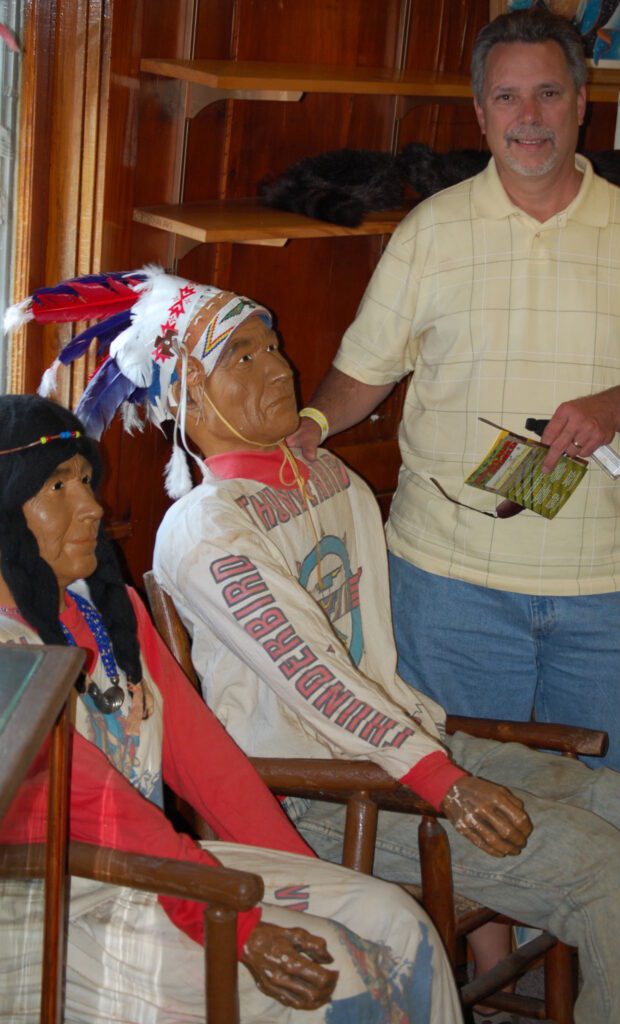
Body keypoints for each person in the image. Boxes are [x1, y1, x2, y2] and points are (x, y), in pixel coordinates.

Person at [9, 269, 620, 1024]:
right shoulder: (207, 530)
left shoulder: (326, 474)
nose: (281, 370)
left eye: (274, 348)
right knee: (604, 872)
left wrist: (435, 753)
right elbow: (313, 677)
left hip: (408, 741)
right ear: (187, 395)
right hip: (322, 789)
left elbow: (366, 662)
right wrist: (442, 781)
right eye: (242, 358)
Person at [290, 7, 620, 806]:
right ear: (479, 112)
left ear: (580, 101)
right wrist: (308, 430)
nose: (527, 118)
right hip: (446, 585)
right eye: (507, 98)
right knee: (463, 817)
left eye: (546, 93)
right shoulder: (428, 232)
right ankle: (489, 942)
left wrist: (614, 405)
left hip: (609, 588)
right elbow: (363, 372)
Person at [0, 394, 461, 1024]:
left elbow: (206, 763)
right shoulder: (7, 653)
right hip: (49, 907)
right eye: (56, 487)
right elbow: (92, 807)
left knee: (397, 922)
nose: (91, 507)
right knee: (335, 971)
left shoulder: (110, 615)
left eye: (86, 480)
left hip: (150, 873)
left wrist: (297, 878)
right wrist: (240, 924)